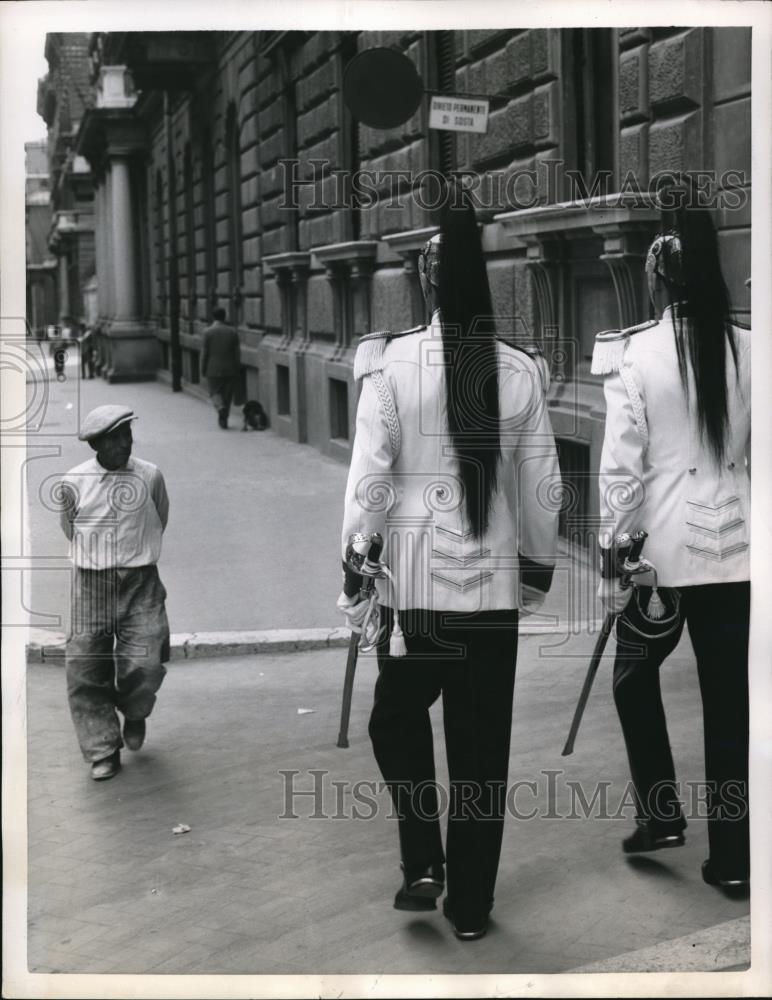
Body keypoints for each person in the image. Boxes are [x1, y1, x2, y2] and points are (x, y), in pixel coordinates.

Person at [337, 188, 560, 940]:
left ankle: (422, 859)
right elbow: (544, 490)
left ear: (428, 280)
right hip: (491, 596)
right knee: (480, 750)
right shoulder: (521, 372)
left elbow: (370, 477)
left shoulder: (392, 364)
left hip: (416, 597)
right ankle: (471, 906)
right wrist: (533, 568)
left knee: (393, 720)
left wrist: (356, 563)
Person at [594, 183, 751, 889]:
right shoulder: (752, 349)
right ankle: (735, 858)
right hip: (740, 553)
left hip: (660, 559)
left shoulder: (636, 357)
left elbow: (621, 473)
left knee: (632, 681)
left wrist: (613, 555)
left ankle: (661, 813)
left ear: (658, 277)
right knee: (729, 706)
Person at [58, 405, 171, 781]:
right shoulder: (73, 482)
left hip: (141, 580)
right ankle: (102, 749)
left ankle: (135, 712)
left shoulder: (150, 475)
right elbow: (69, 526)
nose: (125, 443)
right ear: (97, 444)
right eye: (116, 437)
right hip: (91, 584)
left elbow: (160, 517)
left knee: (148, 658)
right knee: (86, 666)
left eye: (128, 434)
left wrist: (134, 554)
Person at [201, 307, 241, 429]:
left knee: (215, 392)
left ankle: (220, 408)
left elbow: (204, 353)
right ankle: (224, 420)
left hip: (213, 368)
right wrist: (237, 368)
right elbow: (237, 353)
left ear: (213, 317)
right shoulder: (233, 332)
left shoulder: (207, 332)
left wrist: (203, 368)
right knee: (227, 396)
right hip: (230, 368)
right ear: (225, 317)